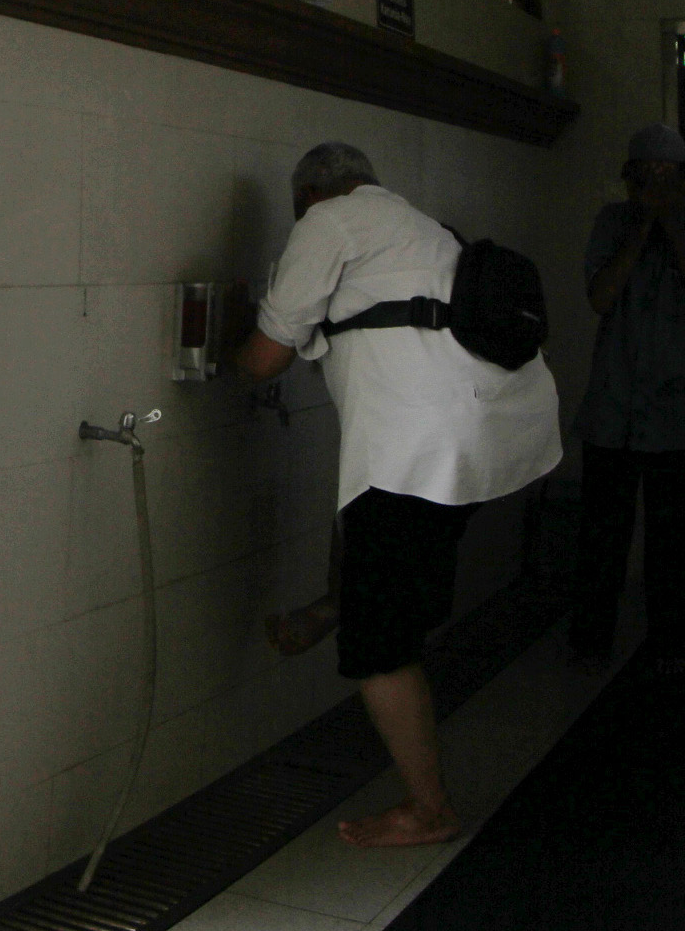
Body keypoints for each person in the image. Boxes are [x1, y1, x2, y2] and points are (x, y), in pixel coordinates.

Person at [235, 142, 562, 849]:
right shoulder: (419, 227)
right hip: (485, 433)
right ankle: (333, 602)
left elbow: (265, 357)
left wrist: (225, 367)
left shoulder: (328, 224)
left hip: (422, 449)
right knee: (369, 521)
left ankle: (428, 809)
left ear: (310, 196)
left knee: (380, 642)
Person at [570, 123, 685, 669]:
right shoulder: (610, 223)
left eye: (670, 173)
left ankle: (670, 646)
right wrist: (643, 226)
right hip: (611, 411)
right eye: (649, 172)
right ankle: (591, 644)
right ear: (631, 175)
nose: (659, 181)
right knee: (601, 539)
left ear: (683, 178)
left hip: (676, 414)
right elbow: (601, 296)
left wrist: (673, 226)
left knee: (671, 542)